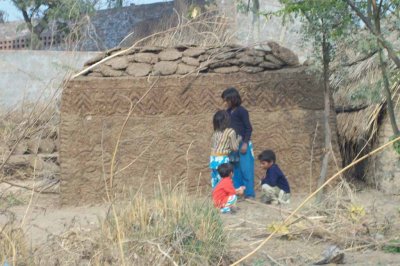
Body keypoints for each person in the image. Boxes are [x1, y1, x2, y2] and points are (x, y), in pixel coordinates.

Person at [221, 87, 255, 198]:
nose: (225, 103)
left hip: (242, 144)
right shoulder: (227, 112)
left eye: (227, 100)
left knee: (246, 169)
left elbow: (248, 128)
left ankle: (249, 193)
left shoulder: (242, 111)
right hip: (232, 145)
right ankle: (238, 193)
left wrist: (245, 143)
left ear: (233, 99)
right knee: (234, 169)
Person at [210, 110, 241, 188]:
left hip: (213, 159)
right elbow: (235, 148)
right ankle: (225, 199)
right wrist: (238, 140)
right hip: (222, 159)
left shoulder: (215, 132)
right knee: (224, 181)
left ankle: (216, 198)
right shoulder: (230, 132)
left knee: (215, 181)